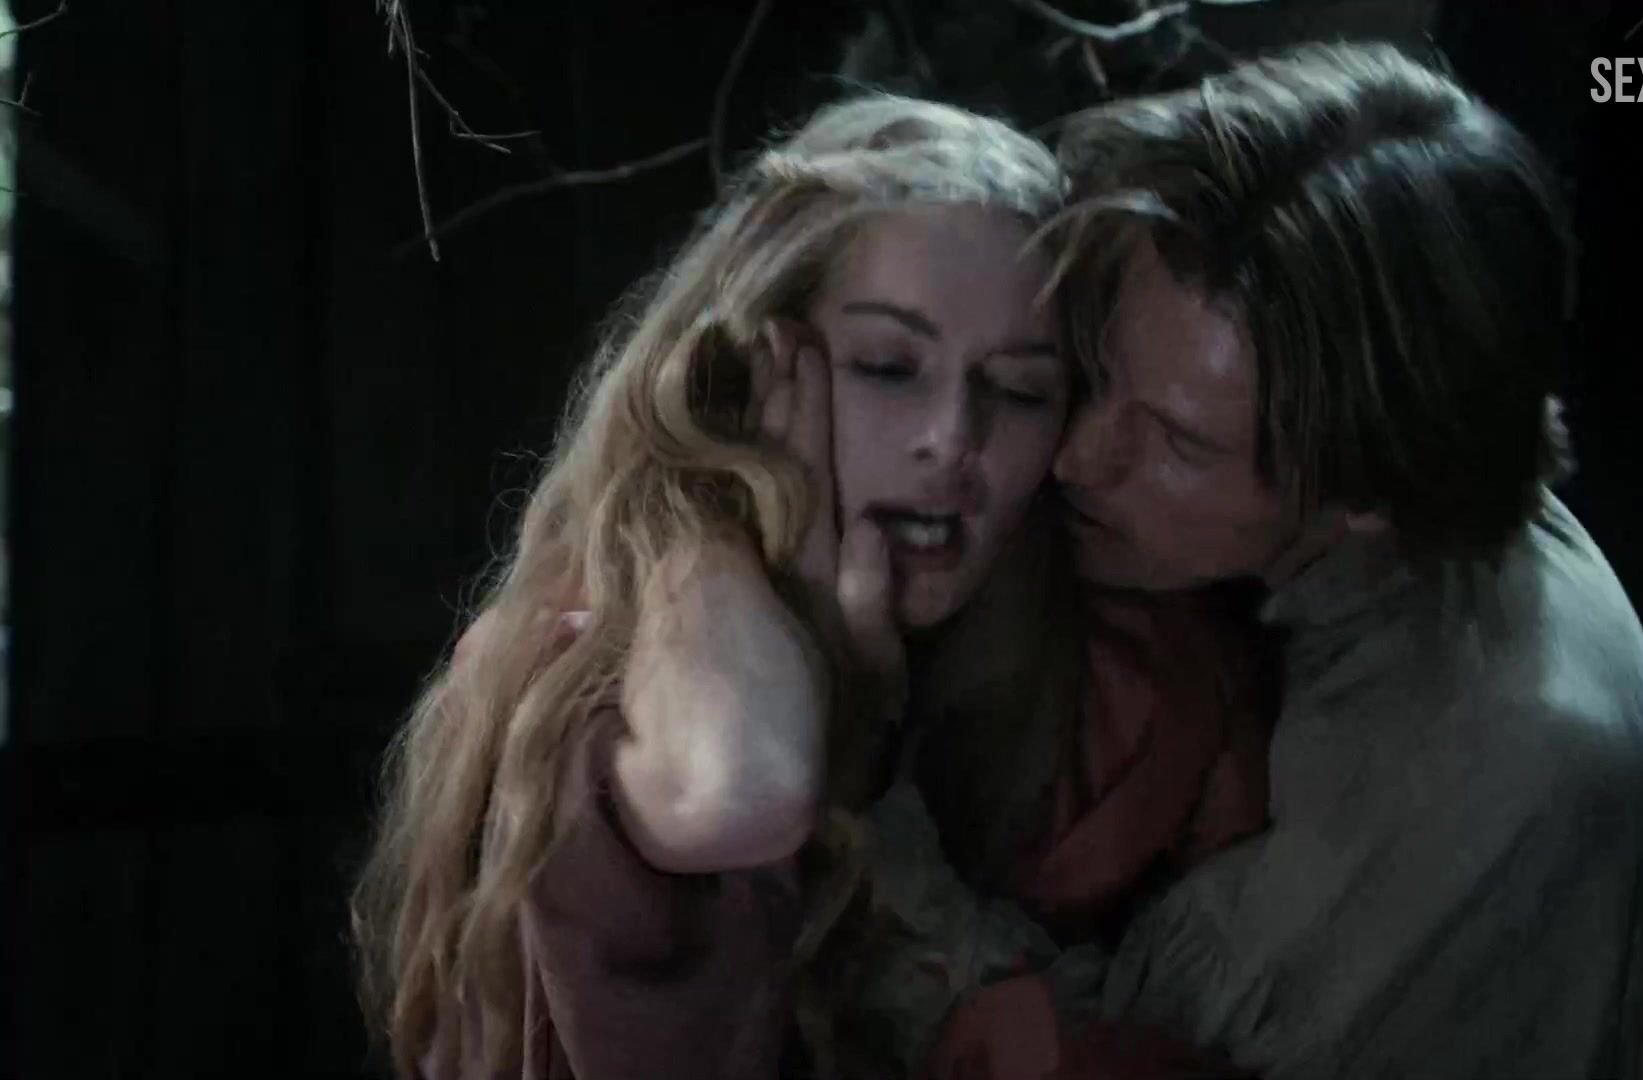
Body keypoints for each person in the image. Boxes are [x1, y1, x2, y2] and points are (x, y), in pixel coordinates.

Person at [350, 92, 1266, 1080]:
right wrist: (716, 527)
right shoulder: (596, 670)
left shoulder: (1128, 680)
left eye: (1018, 389)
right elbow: (743, 793)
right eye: (887, 367)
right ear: (758, 369)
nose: (951, 439)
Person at [928, 41, 1643, 1080]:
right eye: (1100, 370)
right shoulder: (1328, 529)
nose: (1077, 457)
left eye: (1179, 442)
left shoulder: (1481, 761)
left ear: (1368, 491)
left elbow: (1073, 1047)